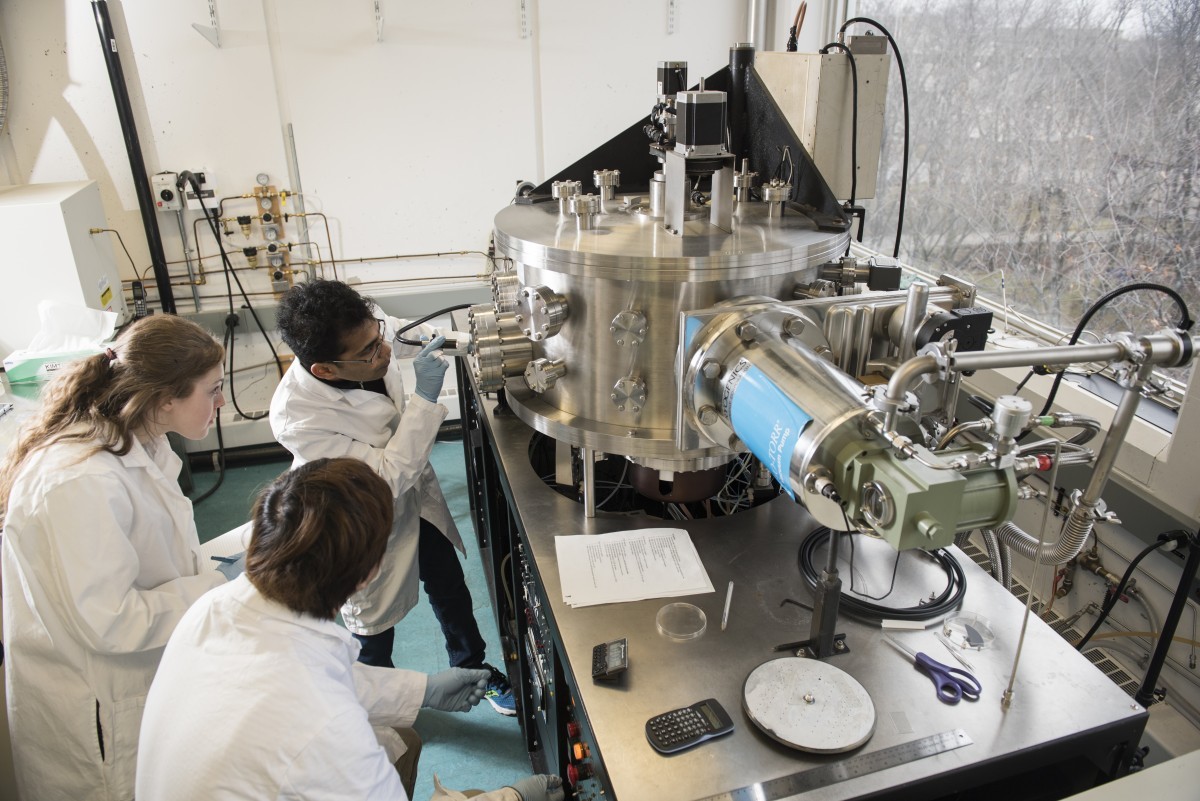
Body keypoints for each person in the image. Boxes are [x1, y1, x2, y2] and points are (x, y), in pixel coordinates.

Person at [136, 457, 563, 801]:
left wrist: (423, 689)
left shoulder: (215, 609)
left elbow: (309, 676)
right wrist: (507, 797)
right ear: (368, 574)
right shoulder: (324, 725)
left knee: (404, 740)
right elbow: (313, 704)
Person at [0, 314, 230, 801]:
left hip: (140, 681)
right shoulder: (84, 479)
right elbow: (110, 621)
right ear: (165, 397)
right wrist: (217, 590)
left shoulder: (141, 440)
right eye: (212, 390)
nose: (221, 402)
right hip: (99, 714)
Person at [269, 279, 515, 715]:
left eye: (377, 333)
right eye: (368, 352)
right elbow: (382, 481)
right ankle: (374, 705)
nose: (382, 351)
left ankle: (473, 668)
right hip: (359, 518)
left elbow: (405, 334)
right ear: (324, 369)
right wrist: (423, 397)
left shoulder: (366, 338)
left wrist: (472, 336)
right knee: (372, 625)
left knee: (449, 585)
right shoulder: (298, 415)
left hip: (414, 499)